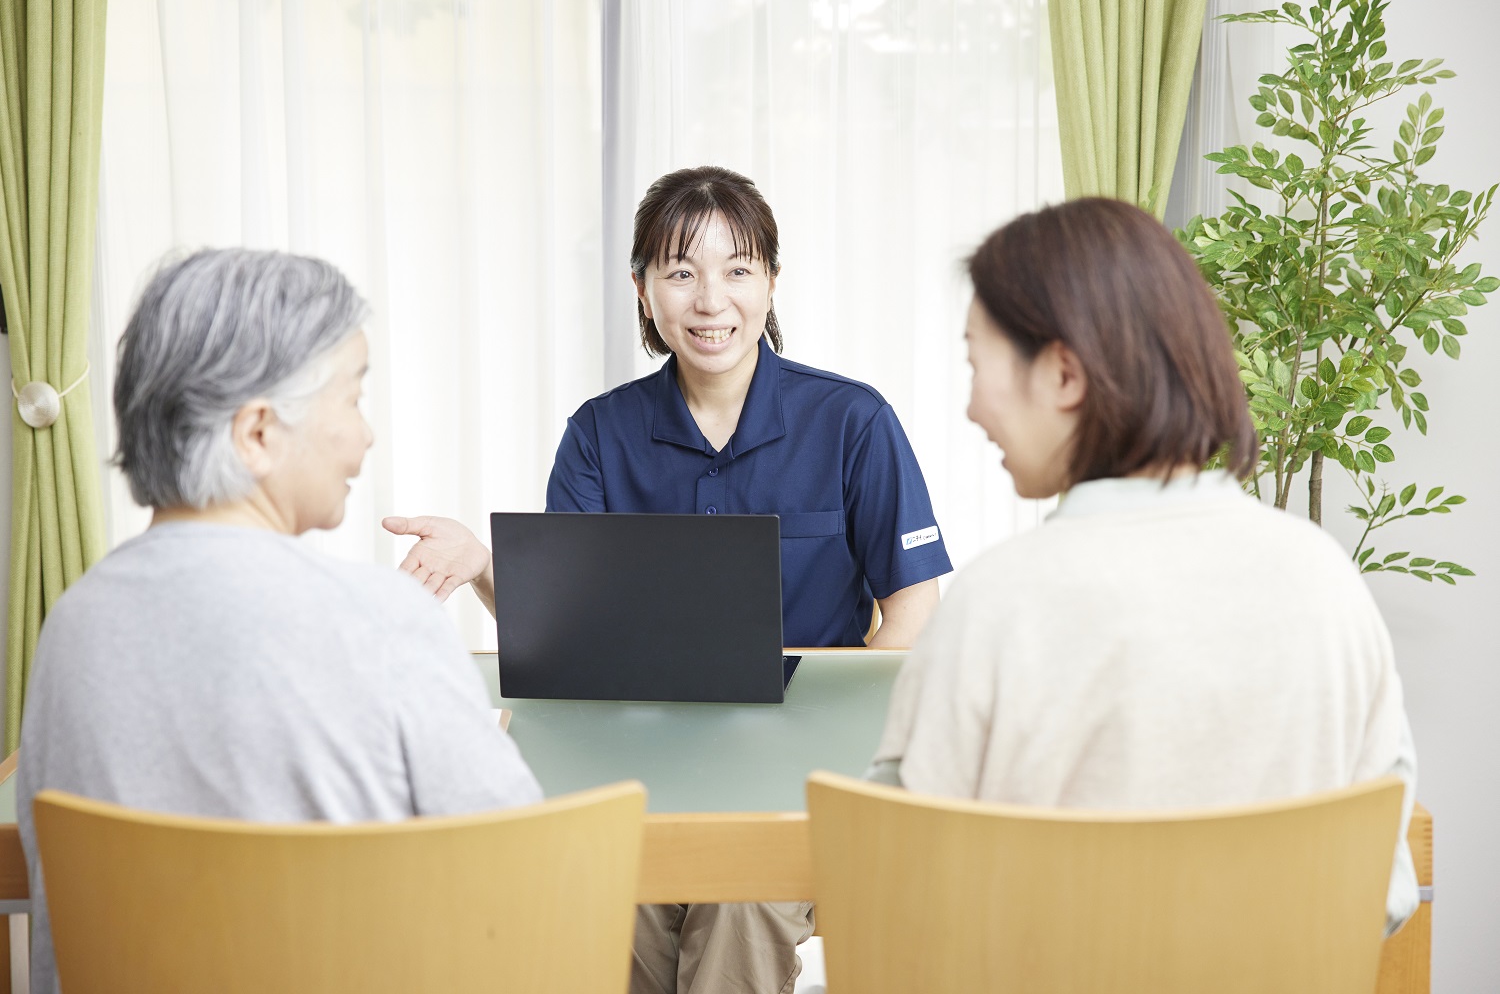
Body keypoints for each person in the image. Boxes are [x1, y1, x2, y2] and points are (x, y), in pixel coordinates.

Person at [385, 166, 954, 993]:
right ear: (644, 291)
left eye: (737, 270)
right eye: (681, 272)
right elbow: (563, 634)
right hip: (639, 775)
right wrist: (481, 565)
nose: (710, 300)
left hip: (798, 784)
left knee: (739, 902)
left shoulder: (853, 422)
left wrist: (846, 754)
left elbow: (912, 605)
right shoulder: (599, 434)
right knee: (616, 903)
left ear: (771, 283)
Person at [871, 196, 1419, 933]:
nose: (972, 407)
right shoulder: (1326, 582)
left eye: (978, 363)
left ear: (1064, 374)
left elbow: (894, 890)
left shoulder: (1000, 601)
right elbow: (1382, 890)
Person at [17, 250, 543, 994]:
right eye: (353, 401)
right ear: (258, 432)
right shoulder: (385, 620)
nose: (365, 438)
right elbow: (529, 874)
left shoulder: (71, 625)